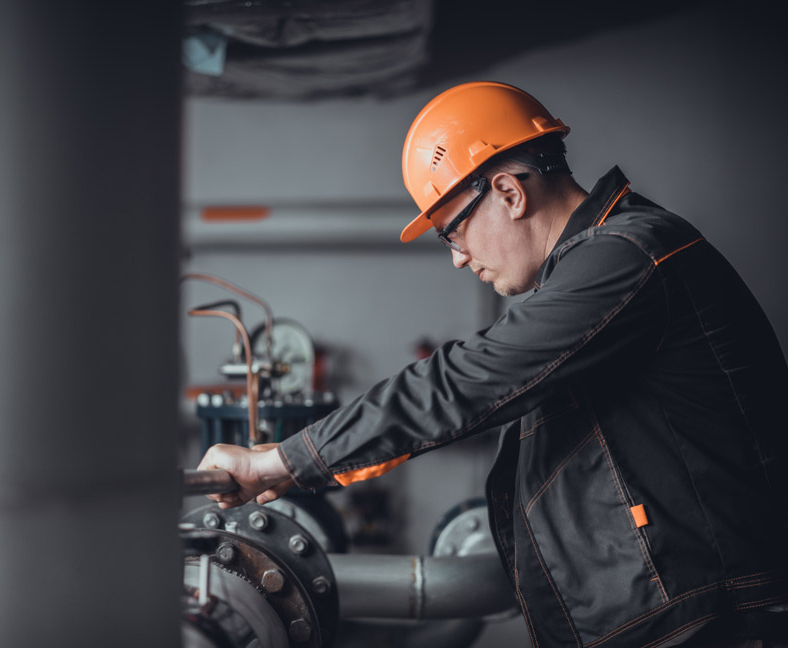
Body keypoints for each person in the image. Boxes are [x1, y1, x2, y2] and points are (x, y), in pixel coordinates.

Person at [197, 81, 788, 648]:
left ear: (509, 192)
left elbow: (459, 383)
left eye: (452, 232)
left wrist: (281, 461)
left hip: (705, 626)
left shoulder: (627, 257)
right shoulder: (604, 270)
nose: (457, 259)